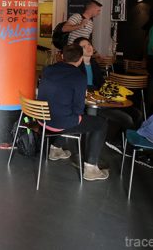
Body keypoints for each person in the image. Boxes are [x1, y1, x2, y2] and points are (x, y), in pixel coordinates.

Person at [37, 43, 109, 181]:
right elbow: (78, 110)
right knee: (101, 124)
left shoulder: (48, 69)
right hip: (59, 123)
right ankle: (91, 169)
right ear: (80, 59)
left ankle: (55, 149)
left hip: (42, 119)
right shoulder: (79, 76)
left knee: (64, 112)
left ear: (62, 56)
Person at [75, 36, 144, 155]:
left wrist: (109, 92)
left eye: (89, 44)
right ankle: (121, 145)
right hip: (91, 105)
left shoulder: (93, 63)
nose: (88, 47)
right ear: (78, 50)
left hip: (103, 101)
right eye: (84, 46)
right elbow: (82, 87)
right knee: (127, 119)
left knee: (137, 114)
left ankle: (121, 143)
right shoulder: (77, 66)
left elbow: (101, 84)